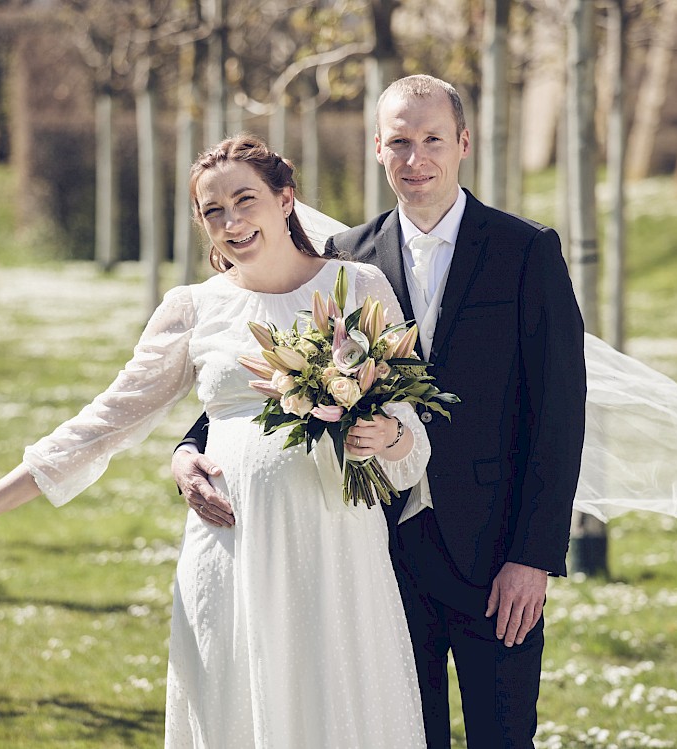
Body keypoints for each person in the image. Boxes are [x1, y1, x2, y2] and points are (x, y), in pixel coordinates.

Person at [0, 135, 432, 748]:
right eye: (212, 210)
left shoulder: (358, 288)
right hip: (233, 546)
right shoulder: (195, 308)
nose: (231, 222)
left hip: (335, 544)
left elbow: (412, 443)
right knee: (235, 707)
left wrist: (385, 435)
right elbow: (104, 422)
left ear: (286, 199)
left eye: (244, 200)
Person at [174, 74, 588, 749]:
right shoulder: (343, 261)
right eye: (399, 142)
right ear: (377, 148)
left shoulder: (526, 250)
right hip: (377, 554)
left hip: (494, 555)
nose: (415, 159)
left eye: (431, 140)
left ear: (463, 143)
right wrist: (185, 450)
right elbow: (266, 375)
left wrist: (533, 556)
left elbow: (559, 411)